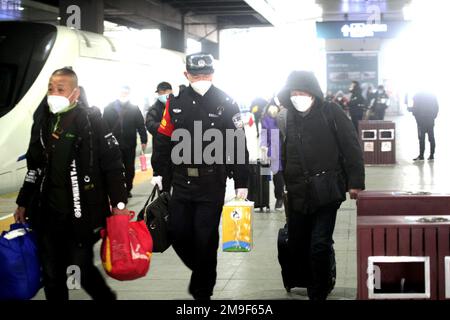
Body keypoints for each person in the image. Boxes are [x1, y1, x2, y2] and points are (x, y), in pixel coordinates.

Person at [13, 67, 129, 300]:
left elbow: (113, 166)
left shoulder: (91, 121)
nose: (53, 93)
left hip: (81, 213)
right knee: (52, 274)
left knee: (81, 269)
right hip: (47, 213)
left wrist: (119, 205)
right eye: (51, 88)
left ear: (75, 93)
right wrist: (23, 201)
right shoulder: (44, 120)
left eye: (60, 89)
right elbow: (34, 165)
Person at [151, 52, 249, 300]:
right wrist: (158, 172)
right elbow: (163, 139)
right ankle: (204, 270)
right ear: (187, 75)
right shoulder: (175, 102)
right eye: (196, 75)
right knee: (177, 231)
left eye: (206, 74)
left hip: (212, 182)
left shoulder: (227, 102)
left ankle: (203, 290)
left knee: (205, 236)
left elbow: (237, 143)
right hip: (181, 181)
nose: (202, 79)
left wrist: (242, 182)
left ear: (213, 74)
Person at [277, 71, 365, 300]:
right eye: (294, 93)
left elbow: (351, 146)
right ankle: (315, 278)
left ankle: (320, 290)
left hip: (327, 190)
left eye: (303, 93)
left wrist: (355, 182)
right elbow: (281, 154)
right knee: (300, 243)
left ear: (313, 93)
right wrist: (281, 186)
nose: (298, 97)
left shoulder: (331, 112)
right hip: (297, 192)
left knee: (319, 242)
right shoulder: (286, 117)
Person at [103, 85, 148, 198]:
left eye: (126, 93)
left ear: (129, 94)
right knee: (116, 169)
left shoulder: (134, 108)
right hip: (113, 145)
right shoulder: (109, 108)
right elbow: (104, 126)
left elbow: (140, 125)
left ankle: (127, 189)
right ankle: (118, 191)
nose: (124, 95)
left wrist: (144, 139)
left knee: (129, 169)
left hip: (129, 143)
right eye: (122, 92)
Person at [145, 81, 173, 190]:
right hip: (161, 154)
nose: (164, 95)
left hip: (178, 152)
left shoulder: (177, 105)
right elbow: (150, 125)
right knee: (164, 189)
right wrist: (165, 126)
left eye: (166, 92)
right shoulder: (154, 109)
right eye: (161, 93)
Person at [260, 100, 285, 211]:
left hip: (287, 149)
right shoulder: (266, 119)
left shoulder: (285, 115)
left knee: (287, 174)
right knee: (278, 176)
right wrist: (264, 148)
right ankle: (279, 198)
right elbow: (264, 134)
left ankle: (286, 197)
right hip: (274, 150)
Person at [408, 91, 439, 161]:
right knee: (431, 138)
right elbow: (436, 108)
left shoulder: (417, 96)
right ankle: (432, 155)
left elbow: (415, 109)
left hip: (421, 122)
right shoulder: (432, 95)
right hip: (430, 121)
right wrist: (433, 117)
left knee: (421, 139)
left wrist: (410, 110)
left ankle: (421, 156)